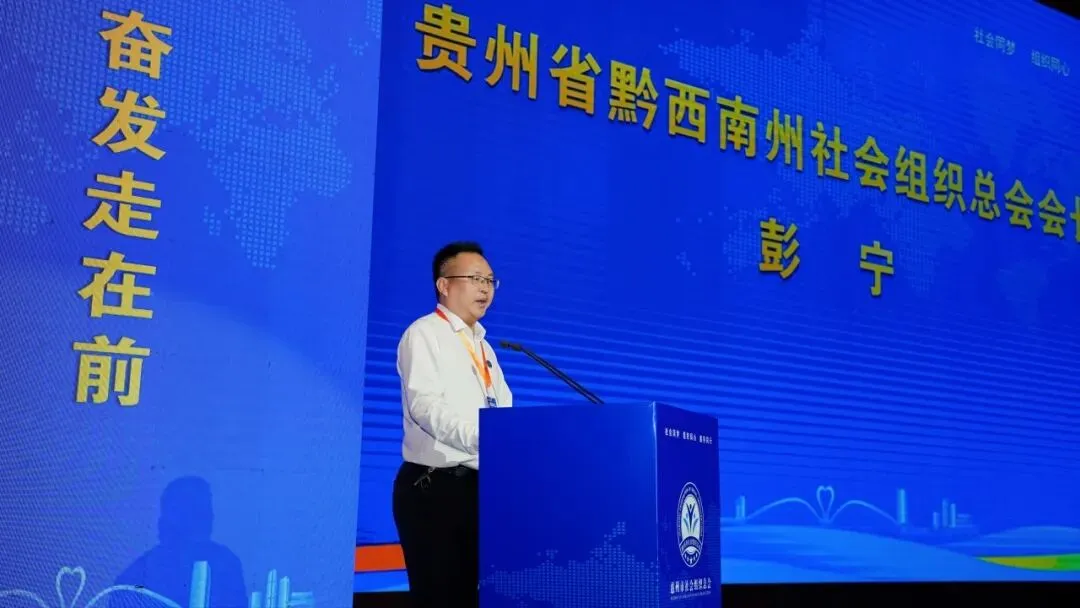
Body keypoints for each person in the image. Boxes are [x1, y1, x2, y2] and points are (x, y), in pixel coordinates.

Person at [392, 241, 513, 606]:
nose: (485, 288)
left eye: (490, 280)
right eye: (475, 278)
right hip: (435, 488)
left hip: (481, 488)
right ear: (444, 285)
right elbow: (426, 408)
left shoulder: (484, 347)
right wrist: (486, 439)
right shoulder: (424, 334)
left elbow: (503, 409)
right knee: (441, 598)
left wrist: (510, 442)